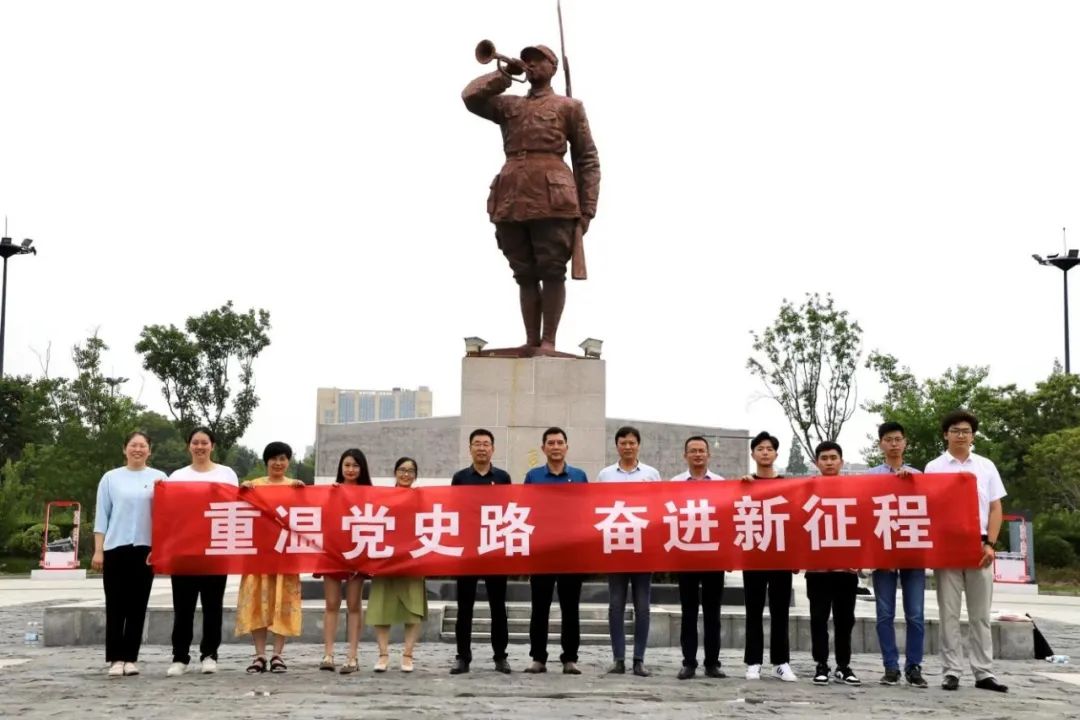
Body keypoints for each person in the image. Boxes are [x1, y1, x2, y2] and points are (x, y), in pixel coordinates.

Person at [463, 42, 600, 353]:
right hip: (511, 195)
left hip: (554, 197)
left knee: (552, 268)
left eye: (539, 60)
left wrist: (587, 209)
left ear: (553, 68)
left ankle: (548, 340)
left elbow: (587, 160)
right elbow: (470, 97)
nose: (532, 65)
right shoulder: (509, 105)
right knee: (523, 272)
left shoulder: (569, 107)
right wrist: (503, 75)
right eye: (528, 60)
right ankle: (530, 339)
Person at [926, 409, 1008, 693]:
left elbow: (996, 508)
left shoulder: (986, 466)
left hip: (980, 545)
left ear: (973, 436)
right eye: (955, 431)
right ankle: (951, 671)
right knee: (948, 612)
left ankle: (984, 672)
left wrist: (991, 544)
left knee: (980, 613)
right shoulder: (934, 467)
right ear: (945, 435)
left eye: (966, 431)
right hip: (947, 546)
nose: (961, 435)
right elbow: (928, 507)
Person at [164, 426, 239, 677]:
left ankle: (209, 654)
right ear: (189, 446)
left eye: (204, 442)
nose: (200, 447)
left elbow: (235, 506)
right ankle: (180, 657)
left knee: (212, 606)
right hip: (184, 551)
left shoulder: (226, 474)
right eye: (195, 442)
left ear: (212, 446)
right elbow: (168, 514)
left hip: (215, 549)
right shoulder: (177, 477)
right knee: (183, 607)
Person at [92, 431, 166, 677]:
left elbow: (166, 516)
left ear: (149, 450)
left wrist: (161, 549)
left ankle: (131, 658)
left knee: (138, 605)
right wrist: (98, 550)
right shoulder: (111, 478)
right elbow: (102, 516)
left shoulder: (159, 478)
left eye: (143, 446)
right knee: (115, 604)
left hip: (145, 549)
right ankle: (115, 658)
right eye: (133, 445)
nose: (138, 449)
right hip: (115, 547)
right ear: (124, 449)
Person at [866, 421, 927, 688]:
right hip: (883, 554)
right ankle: (890, 667)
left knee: (915, 614)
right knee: (884, 614)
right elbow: (864, 513)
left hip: (913, 553)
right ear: (881, 444)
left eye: (898, 439)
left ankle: (914, 666)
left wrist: (911, 483)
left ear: (905, 443)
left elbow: (928, 510)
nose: (894, 444)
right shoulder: (870, 477)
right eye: (888, 439)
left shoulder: (918, 475)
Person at [235, 441, 305, 674]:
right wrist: (242, 491)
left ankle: (277, 654)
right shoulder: (254, 486)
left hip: (285, 554)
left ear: (288, 462)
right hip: (258, 554)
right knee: (257, 601)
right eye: (274, 458)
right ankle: (259, 655)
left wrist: (304, 493)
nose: (278, 463)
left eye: (283, 458)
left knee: (282, 602)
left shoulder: (295, 486)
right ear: (266, 461)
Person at [523, 427, 588, 674]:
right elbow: (525, 510)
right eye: (551, 443)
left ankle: (570, 658)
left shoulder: (579, 476)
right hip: (542, 552)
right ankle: (538, 658)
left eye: (560, 442)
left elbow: (587, 510)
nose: (556, 447)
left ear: (566, 447)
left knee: (570, 608)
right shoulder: (533, 476)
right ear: (543, 448)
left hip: (572, 553)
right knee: (539, 607)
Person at [596, 425, 660, 677]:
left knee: (643, 606)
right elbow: (597, 508)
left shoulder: (651, 474)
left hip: (644, 549)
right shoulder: (605, 475)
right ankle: (619, 659)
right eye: (623, 443)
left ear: (638, 445)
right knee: (615, 605)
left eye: (632, 443)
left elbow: (659, 507)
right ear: (617, 446)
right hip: (616, 548)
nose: (627, 447)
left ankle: (639, 659)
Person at [450, 429, 512, 675]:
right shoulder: (460, 478)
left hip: (494, 548)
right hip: (468, 550)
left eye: (486, 444)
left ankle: (500, 656)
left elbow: (509, 510)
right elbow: (453, 509)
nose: (482, 448)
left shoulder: (503, 477)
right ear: (470, 449)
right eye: (477, 444)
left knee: (498, 606)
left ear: (493, 449)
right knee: (464, 606)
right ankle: (463, 657)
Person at [739, 432, 797, 683]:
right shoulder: (745, 484)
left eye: (769, 449)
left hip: (781, 556)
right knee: (753, 610)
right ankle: (753, 662)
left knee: (780, 611)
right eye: (760, 448)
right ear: (752, 454)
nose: (765, 452)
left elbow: (795, 522)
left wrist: (796, 557)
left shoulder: (787, 486)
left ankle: (781, 662)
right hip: (753, 555)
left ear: (776, 454)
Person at [671, 436, 728, 680]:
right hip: (686, 556)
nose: (697, 454)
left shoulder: (721, 484)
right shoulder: (674, 484)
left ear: (708, 455)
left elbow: (727, 519)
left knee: (713, 613)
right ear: (685, 455)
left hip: (713, 557)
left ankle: (712, 663)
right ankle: (689, 663)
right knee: (689, 613)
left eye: (701, 450)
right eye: (692, 451)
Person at [806, 441, 861, 687]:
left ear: (841, 461)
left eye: (833, 458)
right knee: (818, 619)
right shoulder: (807, 489)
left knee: (844, 620)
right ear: (816, 463)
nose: (829, 462)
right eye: (824, 458)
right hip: (817, 569)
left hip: (846, 569)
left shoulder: (854, 490)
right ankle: (821, 664)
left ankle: (843, 666)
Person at [368, 457, 428, 673]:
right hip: (385, 558)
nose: (406, 474)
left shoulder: (422, 498)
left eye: (411, 471)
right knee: (382, 606)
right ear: (395, 472)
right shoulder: (382, 496)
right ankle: (383, 655)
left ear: (416, 475)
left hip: (412, 559)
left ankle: (408, 655)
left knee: (413, 607)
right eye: (402, 470)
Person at [318, 448, 373, 674]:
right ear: (341, 467)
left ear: (362, 468)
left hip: (357, 551)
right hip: (332, 551)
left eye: (355, 465)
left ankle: (352, 656)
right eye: (347, 465)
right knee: (331, 603)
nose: (351, 470)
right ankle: (328, 654)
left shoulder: (370, 493)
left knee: (353, 604)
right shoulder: (331, 491)